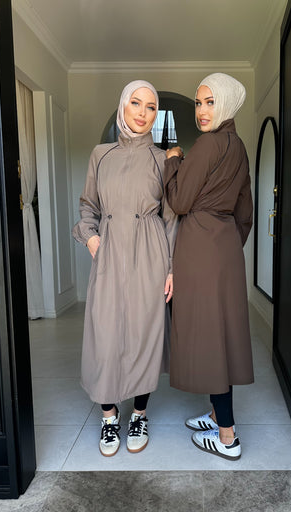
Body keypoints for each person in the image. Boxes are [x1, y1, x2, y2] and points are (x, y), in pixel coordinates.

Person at [72, 80, 177, 457]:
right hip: (110, 251)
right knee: (105, 334)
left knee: (144, 334)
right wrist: (91, 239)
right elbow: (88, 205)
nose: (143, 113)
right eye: (136, 103)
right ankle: (108, 417)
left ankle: (139, 415)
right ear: (123, 106)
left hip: (150, 252)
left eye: (151, 107)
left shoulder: (163, 160)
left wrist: (171, 268)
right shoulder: (101, 154)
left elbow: (171, 218)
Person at [164, 73, 254, 461]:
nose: (201, 111)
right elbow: (246, 212)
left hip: (200, 247)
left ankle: (227, 437)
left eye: (210, 102)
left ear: (226, 104)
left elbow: (180, 201)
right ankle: (218, 415)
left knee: (209, 336)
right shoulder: (238, 146)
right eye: (199, 102)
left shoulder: (207, 144)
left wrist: (173, 161)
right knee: (223, 333)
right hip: (226, 248)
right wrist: (228, 245)